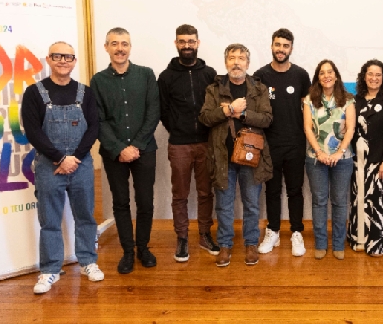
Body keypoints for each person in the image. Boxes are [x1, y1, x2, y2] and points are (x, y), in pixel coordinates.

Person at [21, 41, 104, 294]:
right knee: (49, 221)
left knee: (85, 217)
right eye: (57, 56)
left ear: (74, 61)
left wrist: (75, 158)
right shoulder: (34, 93)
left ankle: (88, 261)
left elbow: (94, 127)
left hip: (80, 164)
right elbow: (33, 131)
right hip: (49, 165)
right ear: (48, 59)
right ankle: (50, 270)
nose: (63, 61)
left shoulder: (85, 92)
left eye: (68, 57)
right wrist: (60, 158)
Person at [91, 27, 160, 274]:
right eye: (114, 43)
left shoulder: (146, 75)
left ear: (130, 47)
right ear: (106, 47)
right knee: (120, 203)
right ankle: (128, 251)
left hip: (145, 150)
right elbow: (98, 119)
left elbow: (153, 112)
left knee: (145, 201)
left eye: (124, 44)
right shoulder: (98, 81)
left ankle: (143, 248)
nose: (120, 48)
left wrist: (136, 145)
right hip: (113, 153)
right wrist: (120, 148)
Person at [199, 44, 273, 267]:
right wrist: (227, 109)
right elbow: (205, 118)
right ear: (225, 62)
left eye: (241, 58)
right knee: (224, 205)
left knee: (251, 204)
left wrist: (244, 113)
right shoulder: (214, 89)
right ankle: (225, 245)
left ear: (248, 64)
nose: (236, 62)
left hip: (251, 156)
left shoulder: (259, 89)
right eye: (232, 58)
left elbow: (267, 119)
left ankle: (251, 244)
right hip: (223, 158)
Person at [158, 24, 219, 263]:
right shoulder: (166, 76)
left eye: (191, 41)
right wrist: (178, 129)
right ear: (176, 44)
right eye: (182, 41)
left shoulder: (210, 73)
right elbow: (163, 110)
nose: (187, 45)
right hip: (180, 144)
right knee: (180, 194)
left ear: (198, 43)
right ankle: (182, 237)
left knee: (206, 192)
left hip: (206, 142)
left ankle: (205, 234)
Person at [254, 28, 311, 257]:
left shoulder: (300, 75)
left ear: (291, 49)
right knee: (272, 190)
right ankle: (273, 230)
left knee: (295, 191)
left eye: (285, 46)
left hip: (296, 143)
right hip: (269, 144)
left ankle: (296, 232)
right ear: (271, 46)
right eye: (277, 45)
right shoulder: (260, 75)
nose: (281, 49)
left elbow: (308, 109)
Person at [348, 59, 383, 256]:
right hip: (359, 163)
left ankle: (380, 244)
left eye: (378, 75)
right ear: (364, 76)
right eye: (370, 74)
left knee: (380, 205)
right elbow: (352, 132)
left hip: (381, 163)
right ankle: (359, 240)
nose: (374, 78)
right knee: (360, 201)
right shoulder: (356, 101)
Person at [304, 60, 356, 260]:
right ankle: (320, 243)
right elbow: (308, 128)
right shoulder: (309, 100)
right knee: (318, 202)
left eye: (330, 72)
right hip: (315, 158)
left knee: (340, 202)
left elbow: (350, 128)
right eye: (322, 72)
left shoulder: (348, 100)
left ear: (336, 76)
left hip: (342, 159)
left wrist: (338, 153)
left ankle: (338, 244)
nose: (326, 75)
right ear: (318, 77)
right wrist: (320, 152)